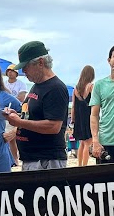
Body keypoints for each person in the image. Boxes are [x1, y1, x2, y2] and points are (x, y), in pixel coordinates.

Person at [4, 41, 69, 171]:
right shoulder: (38, 85)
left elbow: (53, 126)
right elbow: (34, 115)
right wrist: (17, 115)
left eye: (26, 66)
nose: (23, 71)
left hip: (46, 160)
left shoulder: (55, 88)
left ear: (40, 63)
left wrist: (20, 122)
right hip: (34, 158)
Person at [71, 65, 95, 166]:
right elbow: (95, 102)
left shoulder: (76, 89)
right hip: (88, 116)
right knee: (88, 143)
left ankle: (79, 164)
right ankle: (84, 165)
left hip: (79, 118)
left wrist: (73, 119)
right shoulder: (91, 86)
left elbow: (73, 106)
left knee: (81, 143)